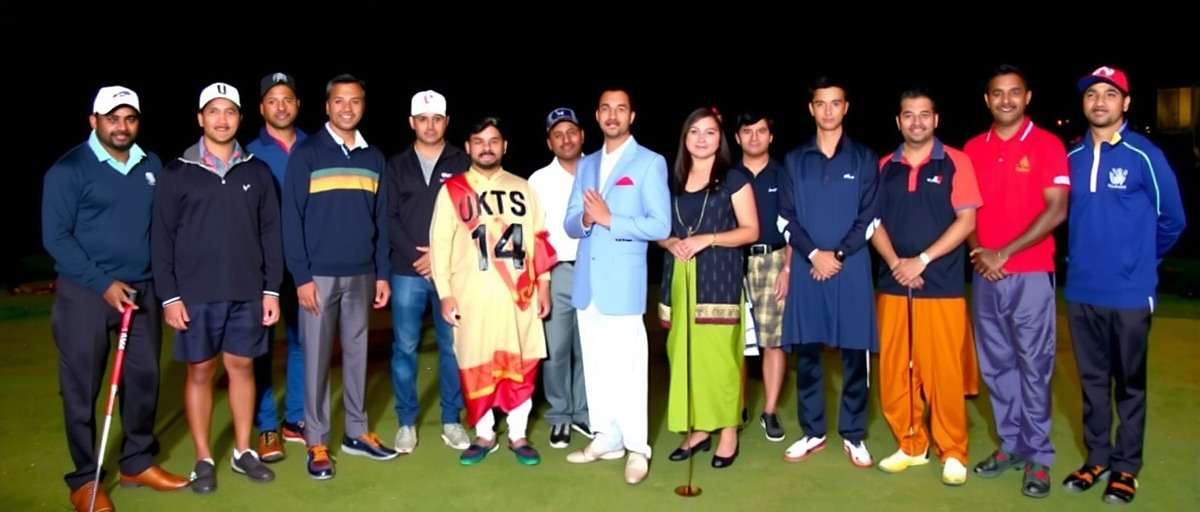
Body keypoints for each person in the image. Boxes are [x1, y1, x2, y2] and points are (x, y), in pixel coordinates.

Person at [42, 85, 189, 512]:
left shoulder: (151, 164)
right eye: (112, 118)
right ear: (94, 121)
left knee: (143, 380)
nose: (121, 127)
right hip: (85, 292)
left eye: (129, 118)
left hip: (141, 291)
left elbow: (161, 229)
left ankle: (137, 462)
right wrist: (103, 282)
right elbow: (56, 238)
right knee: (82, 387)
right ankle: (85, 478)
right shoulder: (69, 170)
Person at [1061, 65, 1186, 505]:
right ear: (1084, 102)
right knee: (1092, 382)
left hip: (1131, 295)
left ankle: (1126, 467)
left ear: (1126, 103)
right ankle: (1096, 458)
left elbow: (1174, 220)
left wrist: (1140, 262)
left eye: (1110, 94)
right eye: (1092, 93)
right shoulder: (1071, 157)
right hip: (1080, 292)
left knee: (1129, 384)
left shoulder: (1144, 154)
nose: (1100, 101)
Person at [152, 82, 283, 491]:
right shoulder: (177, 172)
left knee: (242, 368)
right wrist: (170, 296)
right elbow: (161, 239)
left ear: (240, 118)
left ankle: (244, 451)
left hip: (247, 291)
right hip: (195, 295)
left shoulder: (257, 171)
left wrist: (271, 290)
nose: (222, 119)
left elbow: (271, 234)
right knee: (200, 371)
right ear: (200, 118)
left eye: (229, 111)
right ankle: (204, 457)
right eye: (213, 111)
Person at [282, 74, 397, 480]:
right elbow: (291, 221)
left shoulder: (373, 156)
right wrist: (301, 277)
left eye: (355, 101)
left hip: (362, 274)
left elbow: (380, 221)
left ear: (363, 106)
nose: (347, 107)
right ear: (327, 106)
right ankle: (316, 440)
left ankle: (356, 431)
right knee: (315, 358)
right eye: (339, 101)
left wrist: (382, 274)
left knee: (358, 354)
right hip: (319, 277)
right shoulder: (307, 153)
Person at [963, 64, 1070, 498]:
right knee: (996, 366)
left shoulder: (1047, 144)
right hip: (985, 275)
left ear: (1027, 97)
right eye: (997, 93)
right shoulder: (972, 147)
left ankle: (1038, 456)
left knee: (1034, 364)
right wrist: (979, 252)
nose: (1005, 99)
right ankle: (1011, 445)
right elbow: (966, 209)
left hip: (1029, 274)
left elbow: (1056, 209)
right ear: (987, 99)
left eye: (1014, 92)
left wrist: (1003, 252)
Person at [871, 89, 981, 486]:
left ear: (936, 120)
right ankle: (910, 444)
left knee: (944, 372)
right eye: (908, 115)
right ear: (898, 121)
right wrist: (897, 263)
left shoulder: (957, 162)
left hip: (942, 283)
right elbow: (873, 223)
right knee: (896, 370)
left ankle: (953, 451)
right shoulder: (884, 166)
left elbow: (966, 221)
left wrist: (922, 260)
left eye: (924, 115)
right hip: (893, 283)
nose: (916, 122)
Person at [430, 117, 555, 466]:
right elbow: (439, 245)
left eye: (494, 140)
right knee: (475, 362)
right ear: (468, 147)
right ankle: (484, 433)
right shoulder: (452, 189)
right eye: (479, 140)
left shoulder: (524, 188)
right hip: (472, 298)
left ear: (504, 146)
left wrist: (544, 285)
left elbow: (538, 239)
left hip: (520, 296)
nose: (487, 147)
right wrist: (445, 292)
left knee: (521, 361)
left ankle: (518, 434)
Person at [563, 87, 671, 485]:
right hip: (587, 284)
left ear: (632, 116)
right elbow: (571, 219)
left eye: (620, 109)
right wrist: (587, 220)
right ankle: (605, 437)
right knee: (596, 367)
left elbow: (660, 225)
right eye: (606, 109)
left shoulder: (649, 163)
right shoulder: (587, 163)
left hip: (623, 285)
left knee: (628, 369)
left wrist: (609, 219)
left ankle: (637, 447)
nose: (612, 116)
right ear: (597, 115)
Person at [778, 76, 878, 468]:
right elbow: (786, 218)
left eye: (836, 103)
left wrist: (835, 254)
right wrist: (814, 254)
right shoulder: (794, 159)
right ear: (811, 108)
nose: (829, 110)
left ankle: (853, 434)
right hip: (807, 267)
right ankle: (813, 431)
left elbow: (871, 217)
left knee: (855, 354)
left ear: (846, 107)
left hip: (850, 267)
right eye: (821, 103)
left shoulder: (864, 158)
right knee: (807, 353)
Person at [658, 108, 758, 469]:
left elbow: (750, 230)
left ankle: (728, 430)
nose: (702, 138)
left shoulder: (734, 178)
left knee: (721, 361)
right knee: (683, 356)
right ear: (685, 138)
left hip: (718, 277)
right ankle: (699, 428)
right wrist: (669, 243)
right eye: (694, 131)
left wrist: (707, 239)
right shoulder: (671, 180)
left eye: (710, 132)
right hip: (679, 277)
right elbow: (659, 229)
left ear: (721, 138)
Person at [384, 89, 471, 454]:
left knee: (452, 348)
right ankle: (406, 422)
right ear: (412, 122)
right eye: (423, 119)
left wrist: (439, 256)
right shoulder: (396, 165)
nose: (430, 125)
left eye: (437, 119)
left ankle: (451, 420)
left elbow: (472, 216)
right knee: (405, 347)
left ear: (446, 122)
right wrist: (417, 255)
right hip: (407, 272)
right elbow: (387, 217)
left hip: (451, 272)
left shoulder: (463, 161)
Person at [245, 72, 309, 459]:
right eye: (273, 99)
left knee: (304, 343)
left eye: (287, 98)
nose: (281, 106)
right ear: (261, 108)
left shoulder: (316, 147)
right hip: (264, 268)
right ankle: (266, 426)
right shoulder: (249, 152)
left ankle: (295, 419)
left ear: (298, 105)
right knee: (262, 347)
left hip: (306, 266)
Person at [528, 107, 592, 448]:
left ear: (582, 135)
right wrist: (543, 281)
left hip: (595, 268)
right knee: (556, 348)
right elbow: (536, 234)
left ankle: (583, 412)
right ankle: (560, 415)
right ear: (549, 142)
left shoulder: (599, 168)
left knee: (589, 347)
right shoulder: (538, 180)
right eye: (558, 134)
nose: (566, 139)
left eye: (571, 132)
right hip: (558, 271)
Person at [733, 111, 790, 442]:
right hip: (734, 261)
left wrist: (788, 268)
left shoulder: (784, 174)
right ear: (738, 137)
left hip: (773, 259)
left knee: (773, 339)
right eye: (747, 131)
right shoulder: (727, 174)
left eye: (761, 131)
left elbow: (795, 224)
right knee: (735, 340)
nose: (754, 137)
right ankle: (736, 407)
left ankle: (769, 411)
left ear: (770, 136)